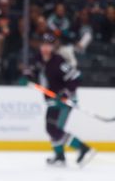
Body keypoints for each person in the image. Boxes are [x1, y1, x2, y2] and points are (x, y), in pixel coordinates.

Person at [26, 33, 95, 167]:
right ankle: (59, 156)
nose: (45, 48)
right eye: (43, 45)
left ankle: (83, 148)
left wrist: (65, 92)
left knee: (54, 128)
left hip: (64, 101)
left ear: (53, 47)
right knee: (50, 128)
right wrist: (27, 75)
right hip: (52, 100)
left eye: (48, 46)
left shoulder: (59, 62)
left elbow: (75, 78)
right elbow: (32, 69)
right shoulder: (39, 58)